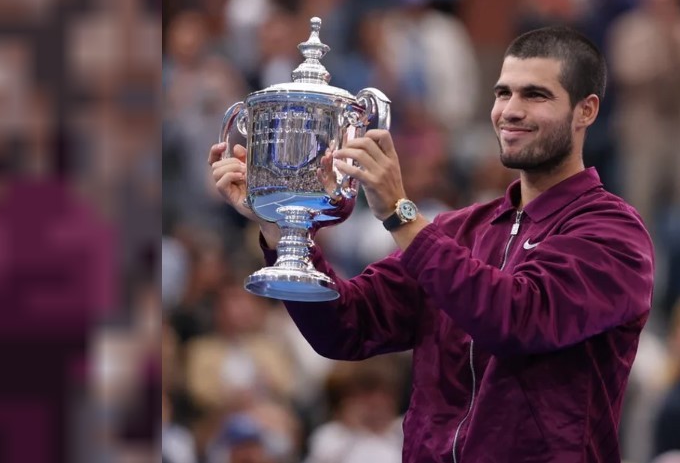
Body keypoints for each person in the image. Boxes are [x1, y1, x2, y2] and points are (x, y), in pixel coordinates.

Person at [209, 26, 654, 463]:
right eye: (503, 93)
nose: (510, 111)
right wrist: (279, 226)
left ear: (586, 110)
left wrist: (400, 213)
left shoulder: (613, 235)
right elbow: (346, 326)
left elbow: (517, 320)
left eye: (535, 95)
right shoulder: (459, 231)